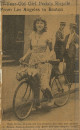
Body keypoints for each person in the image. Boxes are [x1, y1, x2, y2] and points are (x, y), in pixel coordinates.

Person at [20, 17, 56, 106]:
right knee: (34, 83)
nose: (39, 25)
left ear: (44, 25)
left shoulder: (47, 35)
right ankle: (37, 103)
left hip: (43, 61)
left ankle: (51, 98)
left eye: (41, 23)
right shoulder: (32, 34)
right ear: (35, 25)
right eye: (38, 23)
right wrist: (24, 57)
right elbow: (30, 49)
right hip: (33, 61)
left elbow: (52, 50)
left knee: (43, 84)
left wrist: (47, 58)